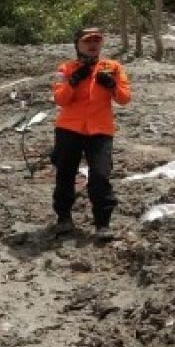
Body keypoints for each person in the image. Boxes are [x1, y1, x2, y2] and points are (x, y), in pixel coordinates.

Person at [50, 27, 132, 240]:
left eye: (97, 40)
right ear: (78, 44)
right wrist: (74, 81)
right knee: (65, 175)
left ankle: (103, 224)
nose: (93, 44)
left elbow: (124, 99)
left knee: (101, 176)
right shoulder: (65, 69)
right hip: (69, 129)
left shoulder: (113, 67)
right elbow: (60, 99)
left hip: (100, 131)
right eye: (88, 41)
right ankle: (64, 218)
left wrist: (112, 85)